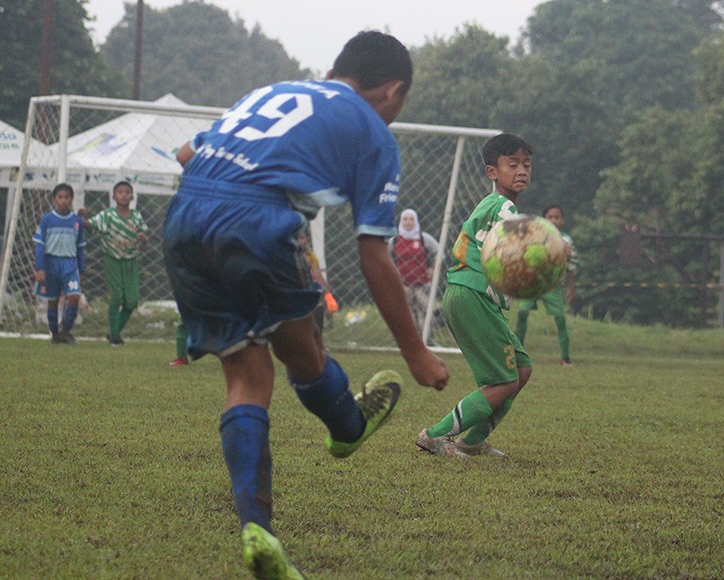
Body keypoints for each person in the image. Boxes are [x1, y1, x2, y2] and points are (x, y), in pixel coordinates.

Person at [162, 31, 451, 580]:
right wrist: (416, 353)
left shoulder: (272, 92)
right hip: (259, 219)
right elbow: (375, 255)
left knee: (249, 374)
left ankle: (257, 528)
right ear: (393, 91)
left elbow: (184, 153)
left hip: (186, 216)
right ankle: (346, 424)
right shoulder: (373, 132)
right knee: (304, 350)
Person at [416, 132, 533, 459]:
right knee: (504, 382)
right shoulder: (502, 205)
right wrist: (553, 247)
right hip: (472, 294)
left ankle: (472, 440)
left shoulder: (494, 206)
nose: (522, 170)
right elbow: (522, 233)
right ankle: (436, 435)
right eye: (513, 164)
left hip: (476, 297)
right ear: (492, 172)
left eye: (526, 164)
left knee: (521, 369)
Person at [78, 180, 147, 346]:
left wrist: (143, 238)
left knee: (131, 301)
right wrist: (81, 218)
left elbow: (144, 236)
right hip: (113, 260)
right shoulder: (107, 215)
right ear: (114, 196)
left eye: (127, 192)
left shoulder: (136, 216)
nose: (124, 195)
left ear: (132, 196)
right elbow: (90, 226)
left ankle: (113, 333)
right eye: (120, 192)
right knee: (116, 298)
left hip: (131, 261)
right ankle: (115, 338)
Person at [514, 204, 579, 366]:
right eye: (550, 217)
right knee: (522, 313)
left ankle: (565, 357)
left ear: (562, 220)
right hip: (532, 282)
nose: (553, 220)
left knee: (560, 318)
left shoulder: (566, 240)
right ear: (544, 219)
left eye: (557, 217)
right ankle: (517, 354)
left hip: (552, 284)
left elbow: (572, 267)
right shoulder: (536, 236)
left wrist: (571, 288)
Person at [33, 183, 86, 344]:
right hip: (51, 263)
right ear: (54, 199)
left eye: (67, 197)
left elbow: (81, 248)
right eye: (60, 197)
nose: (63, 200)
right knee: (53, 300)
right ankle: (55, 334)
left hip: (70, 264)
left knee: (74, 296)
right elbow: (40, 245)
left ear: (71, 199)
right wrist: (40, 268)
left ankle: (66, 331)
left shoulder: (77, 221)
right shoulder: (47, 219)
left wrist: (81, 269)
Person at [387, 208, 440, 338]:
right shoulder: (394, 241)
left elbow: (439, 252)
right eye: (405, 219)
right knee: (408, 315)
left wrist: (433, 268)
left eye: (411, 219)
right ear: (401, 221)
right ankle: (411, 340)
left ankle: (427, 339)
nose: (408, 222)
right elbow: (385, 257)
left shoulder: (423, 238)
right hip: (403, 285)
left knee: (426, 312)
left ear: (415, 221)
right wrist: (393, 272)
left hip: (422, 284)